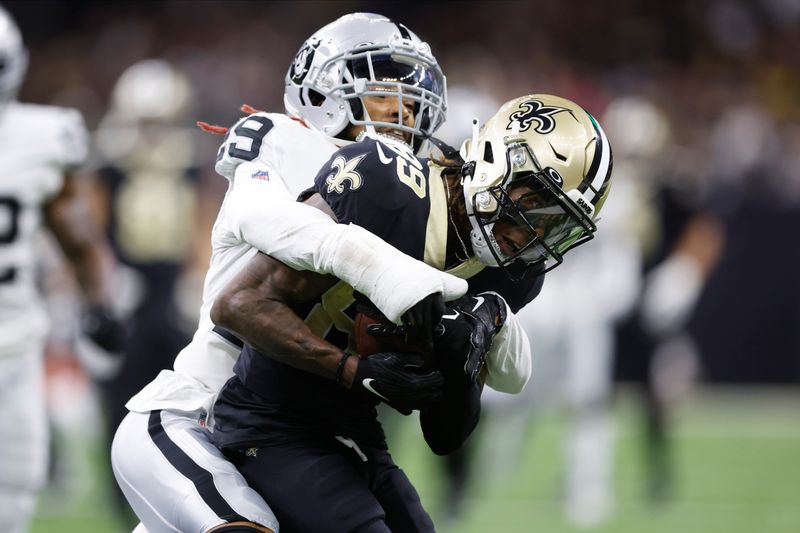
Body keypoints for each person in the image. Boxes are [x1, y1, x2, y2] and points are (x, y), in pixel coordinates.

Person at [111, 13, 464, 533]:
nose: (403, 113)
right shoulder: (284, 139)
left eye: (412, 102)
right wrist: (372, 260)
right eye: (386, 96)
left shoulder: (405, 196)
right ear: (322, 95)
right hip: (199, 414)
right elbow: (261, 215)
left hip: (306, 437)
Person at [209, 93, 614, 532]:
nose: (533, 234)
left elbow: (445, 437)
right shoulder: (387, 184)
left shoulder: (511, 276)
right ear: (498, 159)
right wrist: (350, 369)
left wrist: (466, 352)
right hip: (268, 423)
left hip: (357, 435)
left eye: (556, 225)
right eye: (535, 204)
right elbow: (238, 304)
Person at [0, 7, 124, 533]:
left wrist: (100, 304)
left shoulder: (41, 138)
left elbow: (79, 239)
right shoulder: (41, 135)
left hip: (13, 347)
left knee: (12, 500)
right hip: (16, 343)